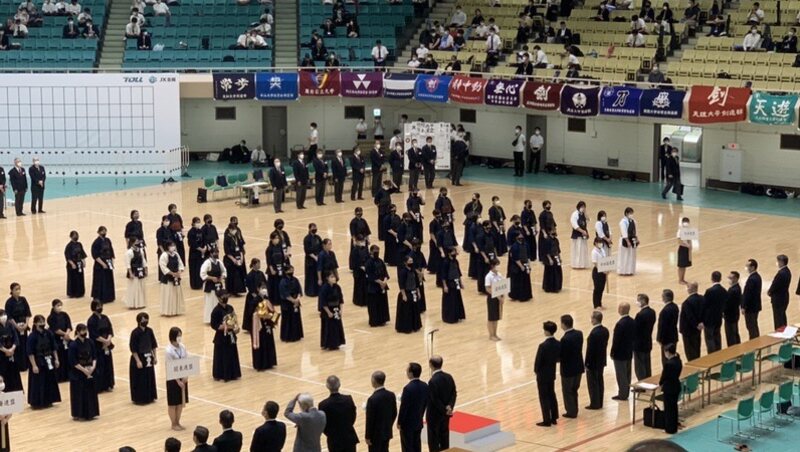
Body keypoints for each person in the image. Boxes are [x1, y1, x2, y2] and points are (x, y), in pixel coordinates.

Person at [27, 315, 62, 408]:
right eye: (40, 322)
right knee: (39, 381)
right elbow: (30, 353)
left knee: (49, 380)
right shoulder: (32, 337)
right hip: (38, 361)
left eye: (43, 321)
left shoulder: (49, 333)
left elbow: (54, 347)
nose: (42, 324)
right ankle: (38, 402)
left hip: (49, 359)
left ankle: (49, 400)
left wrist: (57, 359)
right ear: (35, 323)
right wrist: (34, 365)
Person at [318, 375, 359, 452]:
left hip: (334, 440)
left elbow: (323, 424)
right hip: (349, 437)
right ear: (339, 384)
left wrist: (330, 433)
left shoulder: (323, 404)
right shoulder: (348, 399)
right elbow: (353, 416)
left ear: (327, 386)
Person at [68, 323, 99, 421]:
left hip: (90, 370)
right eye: (82, 331)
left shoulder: (90, 342)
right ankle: (79, 413)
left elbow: (94, 356)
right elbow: (74, 362)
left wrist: (92, 367)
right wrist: (84, 371)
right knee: (79, 394)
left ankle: (92, 413)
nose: (84, 333)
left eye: (85, 331)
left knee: (90, 393)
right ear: (77, 332)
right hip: (78, 373)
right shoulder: (73, 345)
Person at [426, 356, 456, 450]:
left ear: (430, 365)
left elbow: (435, 400)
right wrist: (450, 407)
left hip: (434, 416)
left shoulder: (432, 381)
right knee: (445, 439)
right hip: (446, 415)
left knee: (433, 442)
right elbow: (453, 393)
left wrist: (444, 410)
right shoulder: (449, 377)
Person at [210, 292, 241, 382]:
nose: (225, 298)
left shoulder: (230, 308)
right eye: (223, 296)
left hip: (231, 335)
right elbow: (213, 325)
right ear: (219, 298)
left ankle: (233, 373)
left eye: (227, 296)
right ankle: (222, 374)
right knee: (222, 355)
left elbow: (235, 318)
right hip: (221, 337)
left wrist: (236, 327)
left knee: (232, 353)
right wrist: (223, 327)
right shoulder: (216, 311)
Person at [534, 321, 560, 427]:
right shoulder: (558, 343)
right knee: (552, 394)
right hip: (551, 373)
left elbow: (538, 361)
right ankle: (554, 417)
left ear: (547, 331)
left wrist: (536, 371)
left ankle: (547, 420)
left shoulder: (543, 346)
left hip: (543, 374)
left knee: (544, 397)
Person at [398, 362, 428, 452]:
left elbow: (404, 408)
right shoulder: (425, 386)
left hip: (407, 425)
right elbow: (425, 403)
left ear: (411, 373)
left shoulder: (407, 389)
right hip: (418, 421)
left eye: (407, 370)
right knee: (417, 446)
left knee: (407, 447)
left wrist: (399, 422)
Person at [129, 312, 157, 404]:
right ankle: (140, 399)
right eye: (143, 320)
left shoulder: (149, 331)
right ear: (139, 321)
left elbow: (153, 345)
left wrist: (155, 357)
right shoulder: (135, 333)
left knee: (149, 377)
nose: (145, 321)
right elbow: (133, 349)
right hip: (139, 357)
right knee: (140, 378)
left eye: (146, 319)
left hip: (148, 357)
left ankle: (150, 397)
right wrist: (138, 361)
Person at [365, 371, 397, 452]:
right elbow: (394, 413)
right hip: (386, 432)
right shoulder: (391, 395)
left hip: (375, 436)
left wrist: (367, 436)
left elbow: (370, 420)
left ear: (374, 381)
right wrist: (388, 425)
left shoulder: (372, 399)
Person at [559, 315, 584, 419]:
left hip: (568, 369)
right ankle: (574, 409)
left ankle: (571, 411)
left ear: (564, 324)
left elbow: (562, 355)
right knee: (574, 389)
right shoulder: (579, 333)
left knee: (568, 391)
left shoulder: (564, 339)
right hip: (578, 366)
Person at [87, 300, 114, 393]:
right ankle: (99, 386)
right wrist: (104, 341)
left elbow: (110, 330)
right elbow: (93, 335)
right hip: (98, 346)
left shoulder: (105, 317)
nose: (100, 308)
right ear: (93, 307)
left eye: (101, 306)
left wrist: (108, 340)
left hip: (107, 345)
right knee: (99, 366)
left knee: (108, 365)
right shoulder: (91, 321)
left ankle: (109, 385)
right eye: (98, 306)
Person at [165, 327, 188, 431]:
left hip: (182, 377)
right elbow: (170, 367)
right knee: (173, 403)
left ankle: (178, 422)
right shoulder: (168, 350)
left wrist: (185, 376)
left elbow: (186, 361)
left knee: (180, 402)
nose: (180, 337)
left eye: (180, 335)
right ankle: (173, 423)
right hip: (172, 379)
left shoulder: (183, 347)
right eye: (178, 335)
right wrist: (178, 381)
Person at [584, 310, 609, 410]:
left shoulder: (593, 334)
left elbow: (590, 351)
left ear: (594, 320)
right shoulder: (605, 330)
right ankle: (600, 401)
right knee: (599, 381)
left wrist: (587, 363)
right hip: (601, 360)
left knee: (593, 384)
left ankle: (595, 403)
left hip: (593, 362)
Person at [610, 302, 635, 400]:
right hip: (629, 351)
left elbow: (616, 340)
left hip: (620, 354)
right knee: (628, 373)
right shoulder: (632, 321)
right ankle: (626, 392)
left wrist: (612, 352)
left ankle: (623, 394)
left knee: (621, 375)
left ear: (621, 310)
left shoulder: (620, 324)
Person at [251, 283, 278, 371]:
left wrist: (271, 315)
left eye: (265, 288)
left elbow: (272, 310)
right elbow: (252, 313)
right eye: (262, 288)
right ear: (258, 289)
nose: (264, 290)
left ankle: (269, 362)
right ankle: (261, 363)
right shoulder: (255, 300)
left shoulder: (267, 299)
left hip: (268, 324)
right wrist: (261, 315)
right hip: (259, 326)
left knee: (269, 342)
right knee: (261, 343)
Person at [5, 283, 30, 371]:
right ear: (11, 291)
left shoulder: (23, 299)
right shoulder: (9, 302)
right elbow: (9, 317)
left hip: (24, 326)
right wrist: (16, 326)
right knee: (18, 345)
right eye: (16, 289)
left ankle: (27, 364)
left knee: (25, 344)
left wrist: (26, 324)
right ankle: (19, 365)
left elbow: (27, 313)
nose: (18, 291)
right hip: (15, 327)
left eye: (19, 289)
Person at [660, 343, 683, 434]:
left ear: (668, 352)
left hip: (669, 388)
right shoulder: (678, 360)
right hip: (676, 386)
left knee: (668, 409)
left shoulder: (669, 364)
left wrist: (660, 383)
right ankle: (674, 426)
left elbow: (664, 376)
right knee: (674, 408)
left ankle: (669, 428)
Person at [47, 299, 72, 383]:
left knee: (67, 357)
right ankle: (60, 377)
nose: (59, 307)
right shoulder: (51, 318)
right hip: (57, 340)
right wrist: (64, 334)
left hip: (66, 339)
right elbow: (55, 329)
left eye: (60, 305)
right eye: (58, 305)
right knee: (60, 357)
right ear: (53, 307)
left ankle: (68, 375)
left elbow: (69, 325)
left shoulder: (65, 315)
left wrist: (67, 334)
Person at [319, 273, 346, 351]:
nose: (334, 278)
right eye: (332, 277)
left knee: (337, 326)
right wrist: (328, 312)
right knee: (329, 327)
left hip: (336, 309)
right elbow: (323, 302)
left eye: (334, 277)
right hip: (327, 310)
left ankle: (337, 343)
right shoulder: (324, 288)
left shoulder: (337, 287)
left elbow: (341, 300)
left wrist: (341, 310)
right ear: (327, 278)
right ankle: (327, 344)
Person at [396, 255, 422, 334]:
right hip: (407, 293)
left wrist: (418, 292)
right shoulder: (403, 272)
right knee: (407, 311)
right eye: (409, 261)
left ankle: (415, 326)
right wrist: (404, 295)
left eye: (412, 261)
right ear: (405, 263)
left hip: (414, 292)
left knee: (415, 310)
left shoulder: (413, 271)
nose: (411, 263)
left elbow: (417, 283)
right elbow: (401, 284)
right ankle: (406, 327)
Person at [633, 294, 656, 380]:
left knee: (639, 366)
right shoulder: (652, 312)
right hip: (647, 341)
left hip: (639, 344)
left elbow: (636, 329)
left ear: (643, 301)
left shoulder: (640, 315)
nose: (637, 302)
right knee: (647, 364)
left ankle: (642, 385)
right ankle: (648, 381)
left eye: (638, 300)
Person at [440, 247, 466, 324]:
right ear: (449, 253)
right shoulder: (445, 262)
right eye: (453, 252)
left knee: (457, 299)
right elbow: (443, 276)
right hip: (449, 283)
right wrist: (445, 286)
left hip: (456, 282)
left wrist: (461, 283)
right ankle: (449, 317)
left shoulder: (456, 261)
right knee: (450, 301)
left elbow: (458, 273)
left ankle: (457, 315)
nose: (455, 253)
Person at [91, 226, 116, 303]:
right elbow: (95, 255)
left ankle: (109, 297)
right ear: (98, 232)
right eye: (102, 231)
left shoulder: (108, 240)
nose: (104, 233)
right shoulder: (96, 242)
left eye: (105, 231)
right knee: (100, 281)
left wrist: (112, 261)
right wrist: (102, 264)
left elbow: (111, 251)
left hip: (108, 263)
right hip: (100, 265)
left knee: (108, 280)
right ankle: (100, 298)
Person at [159, 241, 185, 316]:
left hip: (176, 278)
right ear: (167, 246)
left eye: (174, 245)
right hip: (168, 279)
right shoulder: (164, 255)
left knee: (176, 295)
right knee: (169, 295)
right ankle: (168, 311)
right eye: (171, 245)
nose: (173, 247)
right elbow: (163, 267)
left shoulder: (176, 254)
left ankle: (176, 310)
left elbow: (180, 264)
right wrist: (172, 273)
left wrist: (179, 272)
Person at [703, 271, 726, 354]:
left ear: (712, 278)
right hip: (718, 317)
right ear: (720, 279)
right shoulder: (724, 290)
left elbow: (704, 305)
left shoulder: (709, 291)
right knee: (717, 336)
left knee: (709, 338)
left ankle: (712, 356)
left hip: (709, 319)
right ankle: (718, 353)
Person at [679, 282, 704, 361]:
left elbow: (690, 317)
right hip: (698, 329)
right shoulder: (702, 298)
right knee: (697, 347)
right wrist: (701, 323)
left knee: (690, 351)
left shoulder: (687, 302)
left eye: (687, 287)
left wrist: (696, 324)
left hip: (688, 330)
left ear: (690, 289)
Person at [279, 265, 304, 343]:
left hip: (296, 302)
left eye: (292, 270)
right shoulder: (283, 282)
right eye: (290, 270)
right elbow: (284, 294)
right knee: (288, 320)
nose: (291, 272)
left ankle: (297, 335)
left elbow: (299, 290)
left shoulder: (295, 280)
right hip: (287, 304)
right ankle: (288, 336)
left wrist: (297, 299)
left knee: (296, 318)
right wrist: (293, 300)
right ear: (286, 272)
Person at [201, 250, 227, 324]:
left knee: (218, 302)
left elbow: (224, 271)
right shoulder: (207, 263)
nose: (216, 254)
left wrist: (222, 276)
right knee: (210, 303)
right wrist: (211, 278)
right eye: (215, 252)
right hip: (210, 286)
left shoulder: (219, 262)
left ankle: (220, 318)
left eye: (217, 252)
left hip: (218, 286)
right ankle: (210, 319)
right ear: (211, 254)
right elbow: (202, 274)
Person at [243, 259, 268, 334]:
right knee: (252, 311)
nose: (259, 265)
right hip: (253, 296)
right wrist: (256, 297)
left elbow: (264, 283)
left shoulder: (261, 273)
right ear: (254, 265)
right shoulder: (249, 275)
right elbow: (250, 287)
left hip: (261, 295)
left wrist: (264, 293)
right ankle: (251, 327)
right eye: (258, 263)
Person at [767, 254, 792, 330]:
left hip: (778, 299)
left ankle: (780, 333)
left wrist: (769, 292)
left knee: (778, 318)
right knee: (782, 316)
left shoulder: (781, 273)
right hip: (784, 297)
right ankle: (784, 331)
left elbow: (775, 285)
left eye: (778, 261)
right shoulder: (788, 271)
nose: (777, 263)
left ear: (781, 262)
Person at [222, 223, 246, 297]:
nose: (234, 231)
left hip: (238, 258)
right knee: (231, 275)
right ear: (229, 230)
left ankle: (238, 290)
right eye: (233, 229)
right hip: (230, 260)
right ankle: (231, 291)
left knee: (239, 275)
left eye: (235, 229)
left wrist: (242, 257)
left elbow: (241, 247)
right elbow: (227, 251)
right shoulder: (227, 238)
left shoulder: (236, 236)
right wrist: (233, 259)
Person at [484, 259, 505, 341]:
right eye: (497, 264)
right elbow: (487, 288)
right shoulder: (488, 276)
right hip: (492, 298)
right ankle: (491, 335)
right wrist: (497, 296)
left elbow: (502, 284)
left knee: (496, 317)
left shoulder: (499, 274)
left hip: (499, 296)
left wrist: (502, 296)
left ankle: (495, 333)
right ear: (493, 266)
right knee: (491, 317)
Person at [508, 231, 532, 302]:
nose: (521, 237)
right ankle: (517, 295)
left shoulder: (526, 245)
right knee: (518, 281)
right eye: (520, 236)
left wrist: (529, 265)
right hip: (517, 267)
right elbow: (515, 258)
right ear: (516, 237)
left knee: (526, 280)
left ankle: (526, 295)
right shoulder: (514, 247)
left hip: (525, 264)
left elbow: (528, 256)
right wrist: (521, 266)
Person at [742, 259, 762, 339]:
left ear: (753, 267)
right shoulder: (757, 276)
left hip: (751, 307)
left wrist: (743, 306)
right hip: (755, 306)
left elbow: (748, 294)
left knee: (751, 326)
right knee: (753, 325)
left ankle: (754, 343)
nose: (746, 268)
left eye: (748, 266)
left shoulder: (752, 279)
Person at [541, 227, 563, 293]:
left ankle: (557, 286)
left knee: (558, 271)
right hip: (550, 258)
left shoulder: (556, 240)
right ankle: (549, 287)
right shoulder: (547, 240)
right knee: (550, 272)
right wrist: (550, 259)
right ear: (550, 232)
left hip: (556, 257)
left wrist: (559, 257)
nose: (555, 231)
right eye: (553, 230)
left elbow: (558, 250)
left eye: (555, 230)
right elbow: (546, 251)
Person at [303, 224, 322, 297]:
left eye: (315, 227)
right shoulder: (307, 239)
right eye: (313, 227)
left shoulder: (318, 237)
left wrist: (319, 256)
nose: (315, 229)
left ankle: (318, 291)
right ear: (309, 228)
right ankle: (310, 291)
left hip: (318, 258)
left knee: (317, 275)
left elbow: (321, 247)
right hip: (310, 260)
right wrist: (315, 257)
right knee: (310, 276)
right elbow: (307, 250)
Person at [617, 208, 638, 276]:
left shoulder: (633, 221)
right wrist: (627, 241)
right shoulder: (623, 222)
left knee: (631, 256)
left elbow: (635, 231)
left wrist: (636, 238)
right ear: (626, 213)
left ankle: (630, 271)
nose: (631, 215)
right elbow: (624, 232)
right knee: (624, 256)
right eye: (630, 213)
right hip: (625, 240)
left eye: (632, 213)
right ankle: (623, 271)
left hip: (632, 240)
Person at [187, 217, 206, 290]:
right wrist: (200, 249)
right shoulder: (191, 232)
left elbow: (204, 240)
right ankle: (194, 285)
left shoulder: (200, 231)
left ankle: (200, 283)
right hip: (194, 253)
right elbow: (192, 243)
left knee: (200, 268)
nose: (198, 224)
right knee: (194, 269)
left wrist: (204, 248)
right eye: (197, 222)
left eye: (199, 222)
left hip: (201, 253)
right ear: (193, 223)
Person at [725, 271, 742, 346]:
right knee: (734, 332)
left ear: (735, 278)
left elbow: (728, 304)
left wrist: (723, 312)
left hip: (730, 315)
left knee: (731, 335)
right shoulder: (736, 287)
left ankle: (733, 351)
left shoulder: (733, 290)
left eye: (730, 278)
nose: (729, 279)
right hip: (735, 314)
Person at [570, 201, 590, 269]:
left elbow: (588, 220)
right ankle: (576, 264)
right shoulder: (575, 214)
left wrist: (585, 213)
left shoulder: (583, 214)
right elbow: (574, 225)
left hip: (583, 235)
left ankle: (583, 264)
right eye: (582, 207)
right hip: (577, 234)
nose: (583, 208)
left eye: (584, 207)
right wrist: (582, 231)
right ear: (578, 207)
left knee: (583, 249)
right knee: (577, 249)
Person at [590, 238, 608, 309]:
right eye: (599, 242)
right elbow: (595, 263)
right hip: (597, 271)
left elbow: (605, 260)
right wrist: (602, 270)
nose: (601, 244)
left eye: (601, 242)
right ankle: (596, 305)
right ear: (595, 243)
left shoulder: (602, 250)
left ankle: (600, 304)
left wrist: (606, 268)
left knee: (601, 288)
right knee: (597, 289)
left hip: (603, 270)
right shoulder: (594, 252)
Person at [676, 218, 692, 284]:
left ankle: (683, 279)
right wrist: (686, 245)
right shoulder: (680, 231)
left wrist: (690, 246)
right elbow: (679, 241)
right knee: (681, 265)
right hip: (682, 248)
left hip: (687, 249)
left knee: (684, 265)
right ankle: (680, 280)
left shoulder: (688, 230)